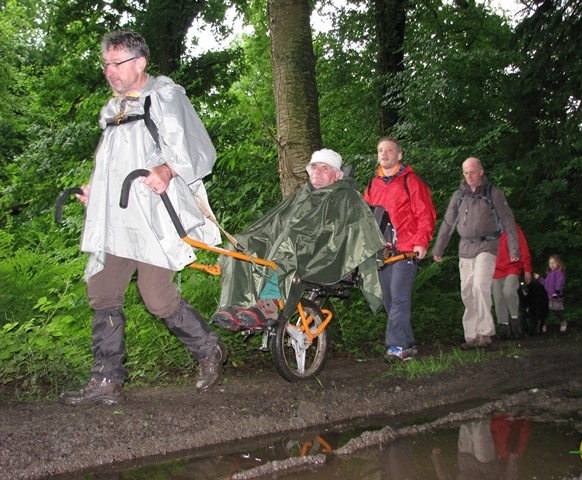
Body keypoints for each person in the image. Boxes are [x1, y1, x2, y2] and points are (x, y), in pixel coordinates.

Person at [59, 31, 226, 406]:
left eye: (117, 63)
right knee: (102, 290)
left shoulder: (164, 97)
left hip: (154, 216)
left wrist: (167, 169)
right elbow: (112, 161)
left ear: (140, 63)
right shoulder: (114, 109)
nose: (109, 71)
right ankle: (107, 380)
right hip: (116, 218)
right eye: (106, 64)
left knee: (156, 298)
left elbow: (198, 150)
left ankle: (209, 348)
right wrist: (93, 188)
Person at [212, 149, 387, 328]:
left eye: (325, 168)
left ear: (337, 175)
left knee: (290, 240)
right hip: (294, 244)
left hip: (325, 254)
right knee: (242, 243)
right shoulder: (301, 195)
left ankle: (269, 304)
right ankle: (236, 304)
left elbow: (360, 232)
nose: (318, 171)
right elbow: (274, 223)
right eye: (314, 167)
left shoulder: (347, 196)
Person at [432, 157, 519, 350]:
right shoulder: (458, 195)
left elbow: (508, 221)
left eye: (472, 172)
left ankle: (485, 333)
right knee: (467, 291)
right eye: (465, 172)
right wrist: (439, 248)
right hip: (465, 248)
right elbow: (448, 222)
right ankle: (471, 336)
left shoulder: (493, 193)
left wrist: (514, 249)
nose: (469, 176)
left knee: (480, 285)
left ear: (481, 171)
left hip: (487, 246)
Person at [364, 137, 436, 362]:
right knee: (388, 300)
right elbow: (365, 218)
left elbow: (425, 214)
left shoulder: (411, 182)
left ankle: (396, 347)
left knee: (398, 298)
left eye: (389, 150)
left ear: (399, 155)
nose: (384, 154)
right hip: (382, 253)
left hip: (406, 250)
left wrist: (421, 241)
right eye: (380, 151)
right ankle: (409, 344)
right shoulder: (373, 185)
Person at [492, 224, 532, 339]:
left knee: (509, 291)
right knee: (498, 298)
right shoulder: (488, 227)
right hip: (495, 270)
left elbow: (523, 247)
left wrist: (527, 269)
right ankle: (504, 326)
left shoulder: (513, 228)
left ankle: (515, 321)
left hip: (512, 267)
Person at [534, 255, 567, 333]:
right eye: (550, 263)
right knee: (545, 312)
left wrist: (557, 292)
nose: (551, 265)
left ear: (558, 263)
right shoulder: (550, 274)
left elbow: (560, 283)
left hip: (555, 296)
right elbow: (545, 283)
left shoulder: (559, 273)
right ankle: (543, 325)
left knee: (557, 311)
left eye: (553, 263)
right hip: (548, 297)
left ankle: (563, 321)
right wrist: (539, 278)